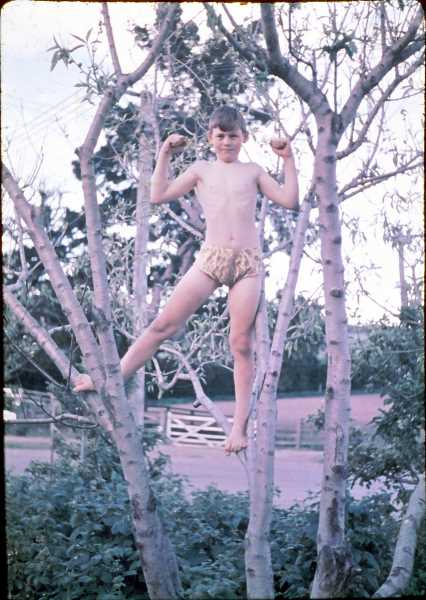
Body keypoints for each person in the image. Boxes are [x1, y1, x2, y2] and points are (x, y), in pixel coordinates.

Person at [73, 106, 299, 454]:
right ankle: (106, 379)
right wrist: (165, 152)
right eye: (220, 136)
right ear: (210, 138)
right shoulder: (200, 170)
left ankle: (239, 428)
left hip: (247, 264)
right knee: (162, 325)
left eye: (233, 136)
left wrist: (288, 159)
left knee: (240, 343)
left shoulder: (253, 171)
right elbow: (158, 195)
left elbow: (290, 200)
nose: (227, 142)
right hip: (211, 260)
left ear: (244, 138)